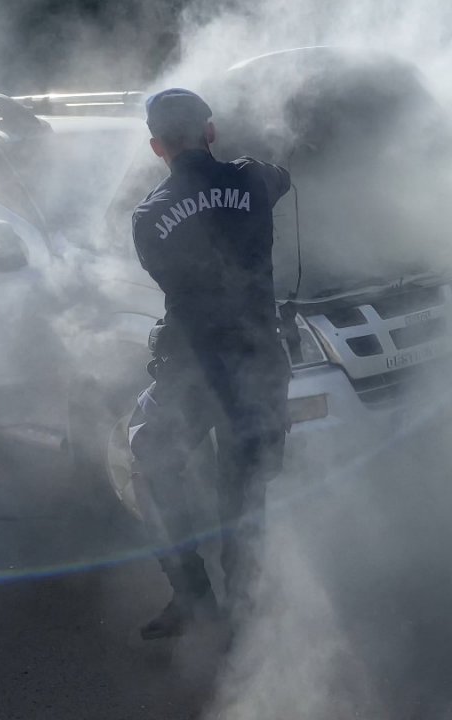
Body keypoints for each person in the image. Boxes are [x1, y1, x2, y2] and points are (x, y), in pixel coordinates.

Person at [127, 88, 293, 641]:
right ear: (211, 132)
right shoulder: (255, 179)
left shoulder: (149, 218)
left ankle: (194, 597)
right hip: (257, 360)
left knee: (151, 459)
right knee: (243, 491)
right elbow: (281, 174)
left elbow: (173, 276)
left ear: (156, 146)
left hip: (195, 368)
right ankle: (244, 608)